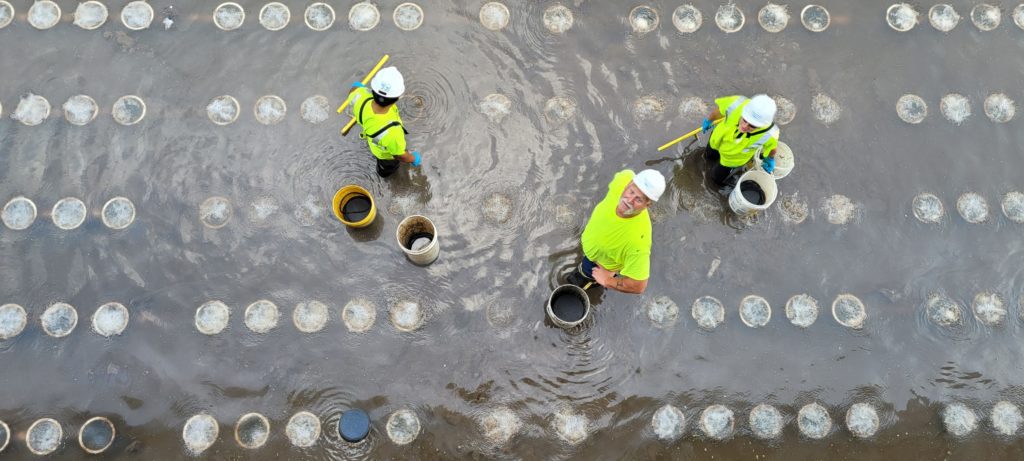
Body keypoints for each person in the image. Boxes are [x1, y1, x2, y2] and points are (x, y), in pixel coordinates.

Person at [566, 169, 665, 294]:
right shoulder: (624, 178)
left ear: (647, 204)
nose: (629, 200)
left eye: (638, 199)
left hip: (598, 266)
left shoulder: (638, 242)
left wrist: (607, 280)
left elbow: (639, 285)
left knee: (579, 283)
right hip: (590, 245)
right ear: (629, 183)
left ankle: (586, 285)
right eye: (631, 191)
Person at [347, 66, 421, 177]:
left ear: (373, 90)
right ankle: (383, 173)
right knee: (387, 166)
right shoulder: (393, 133)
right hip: (384, 155)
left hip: (371, 131)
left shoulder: (359, 96)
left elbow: (353, 90)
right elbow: (399, 155)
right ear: (397, 98)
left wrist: (359, 88)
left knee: (375, 139)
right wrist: (413, 158)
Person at [700, 94, 780, 187]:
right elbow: (719, 111)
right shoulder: (736, 103)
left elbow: (772, 149)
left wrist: (770, 159)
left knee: (715, 178)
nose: (744, 126)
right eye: (745, 119)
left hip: (732, 159)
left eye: (752, 125)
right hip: (717, 141)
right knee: (708, 157)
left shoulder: (770, 134)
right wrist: (709, 120)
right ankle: (709, 161)